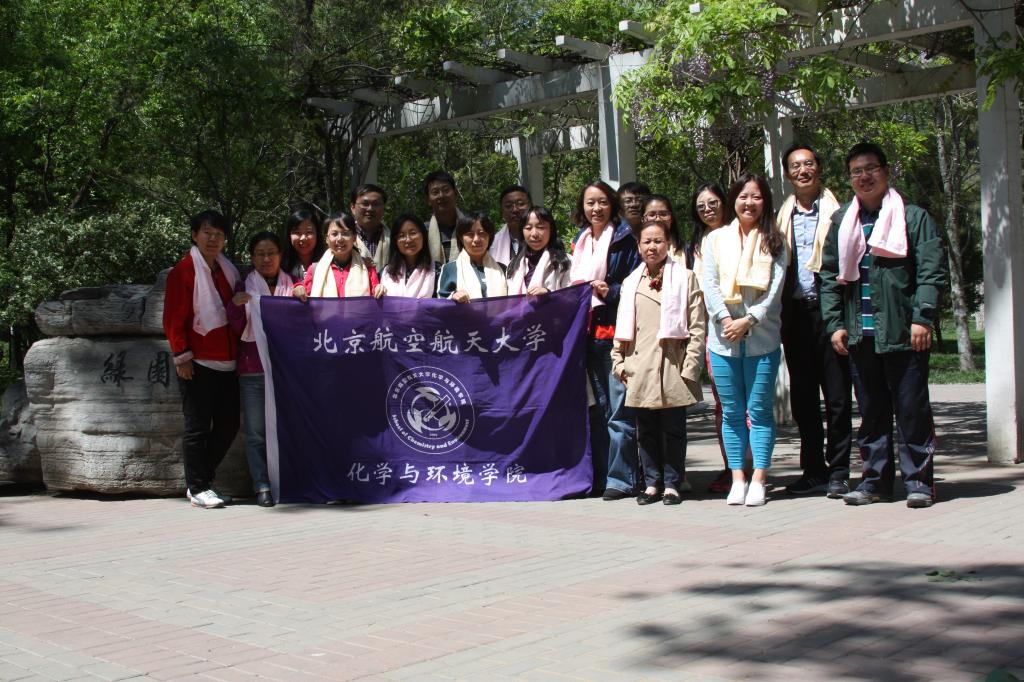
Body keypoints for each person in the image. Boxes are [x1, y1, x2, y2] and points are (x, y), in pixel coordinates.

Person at [819, 142, 947, 508]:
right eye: (856, 171)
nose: (864, 176)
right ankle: (875, 482)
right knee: (872, 414)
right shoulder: (843, 222)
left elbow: (931, 272)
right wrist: (835, 324)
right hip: (861, 335)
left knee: (912, 411)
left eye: (871, 168)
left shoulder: (912, 217)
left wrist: (922, 317)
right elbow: (829, 276)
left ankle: (919, 483)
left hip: (904, 334)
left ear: (886, 172)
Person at [703, 174, 787, 507]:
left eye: (756, 197)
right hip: (722, 341)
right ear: (733, 201)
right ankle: (738, 478)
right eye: (743, 196)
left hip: (762, 340)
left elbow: (775, 290)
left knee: (760, 411)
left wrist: (749, 320)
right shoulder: (715, 239)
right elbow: (709, 285)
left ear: (765, 201)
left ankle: (759, 479)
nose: (749, 203)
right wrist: (727, 321)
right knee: (732, 413)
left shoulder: (775, 240)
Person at [775, 143, 853, 498]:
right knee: (803, 398)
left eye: (808, 164)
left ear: (818, 168)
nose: (802, 170)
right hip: (796, 317)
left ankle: (839, 470)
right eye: (795, 166)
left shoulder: (841, 213)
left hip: (831, 313)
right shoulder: (782, 217)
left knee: (837, 397)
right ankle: (813, 470)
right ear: (787, 174)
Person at [612, 220, 706, 506]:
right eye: (646, 241)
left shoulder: (685, 278)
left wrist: (690, 367)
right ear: (638, 246)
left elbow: (697, 326)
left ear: (668, 244)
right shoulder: (631, 282)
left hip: (672, 365)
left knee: (674, 430)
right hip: (639, 365)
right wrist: (619, 363)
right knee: (646, 431)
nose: (652, 246)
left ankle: (673, 484)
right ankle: (652, 483)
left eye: (658, 241)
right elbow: (622, 327)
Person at [162, 210, 241, 509]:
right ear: (195, 235)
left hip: (228, 362)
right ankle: (198, 487)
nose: (213, 239)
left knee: (228, 425)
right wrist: (181, 355)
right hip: (197, 362)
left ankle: (201, 481)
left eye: (219, 234)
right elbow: (173, 318)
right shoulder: (184, 271)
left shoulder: (227, 270)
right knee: (197, 427)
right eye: (207, 232)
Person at [569, 180, 642, 500]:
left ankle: (623, 478)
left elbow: (636, 285)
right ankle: (601, 475)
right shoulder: (579, 241)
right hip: (586, 335)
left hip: (616, 334)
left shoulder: (626, 239)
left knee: (619, 409)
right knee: (596, 409)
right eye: (590, 203)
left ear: (612, 204)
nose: (596, 208)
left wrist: (609, 291)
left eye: (601, 202)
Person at [226, 232, 294, 508]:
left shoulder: (294, 286)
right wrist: (235, 306)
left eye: (271, 253)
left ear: (280, 255)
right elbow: (235, 328)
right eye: (260, 254)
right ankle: (262, 485)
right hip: (253, 368)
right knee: (256, 432)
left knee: (289, 428)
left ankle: (288, 480)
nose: (266, 259)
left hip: (287, 372)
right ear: (252, 258)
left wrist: (301, 299)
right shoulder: (244, 287)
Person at [687, 183, 734, 494]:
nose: (708, 209)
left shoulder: (738, 235)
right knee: (723, 403)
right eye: (701, 205)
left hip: (738, 325)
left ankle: (750, 467)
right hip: (710, 331)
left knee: (745, 405)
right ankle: (732, 467)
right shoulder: (697, 243)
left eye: (713, 203)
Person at [293, 213, 379, 301]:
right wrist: (298, 289)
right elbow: (305, 298)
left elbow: (376, 296)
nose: (340, 239)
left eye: (345, 233)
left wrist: (379, 289)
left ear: (354, 237)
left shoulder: (367, 269)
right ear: (327, 239)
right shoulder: (315, 270)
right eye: (334, 234)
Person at [437, 212, 508, 301]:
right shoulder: (450, 269)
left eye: (481, 233)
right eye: (470, 234)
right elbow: (441, 300)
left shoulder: (503, 269)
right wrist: (454, 296)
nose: (476, 239)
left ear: (489, 237)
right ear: (461, 238)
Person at [506, 206, 571, 295]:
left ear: (551, 229)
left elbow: (573, 297)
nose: (534, 234)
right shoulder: (513, 265)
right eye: (528, 228)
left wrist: (549, 294)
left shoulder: (565, 262)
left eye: (540, 227)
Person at [373, 214, 436, 298]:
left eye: (413, 233)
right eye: (401, 236)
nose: (408, 240)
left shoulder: (437, 271)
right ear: (395, 241)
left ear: (423, 236)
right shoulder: (386, 272)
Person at [423, 170, 465, 265]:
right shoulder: (423, 231)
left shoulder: (470, 226)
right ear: (428, 199)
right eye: (435, 192)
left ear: (455, 193)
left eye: (446, 190)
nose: (441, 196)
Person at [351, 184, 390, 272]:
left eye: (376, 204)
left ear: (383, 208)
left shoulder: (395, 239)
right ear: (353, 207)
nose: (370, 208)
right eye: (365, 204)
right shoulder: (341, 240)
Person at [491, 185, 532, 266]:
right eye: (508, 206)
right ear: (502, 212)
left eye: (520, 204)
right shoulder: (492, 245)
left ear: (531, 206)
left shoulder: (546, 240)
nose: (515, 210)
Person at [280, 208, 323, 283]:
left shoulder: (328, 263)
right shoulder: (280, 267)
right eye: (297, 232)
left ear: (317, 234)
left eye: (309, 232)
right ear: (289, 236)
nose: (303, 238)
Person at [641, 194, 685, 262]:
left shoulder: (687, 250)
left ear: (671, 218)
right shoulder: (634, 253)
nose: (658, 219)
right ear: (643, 220)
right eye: (652, 215)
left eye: (663, 214)